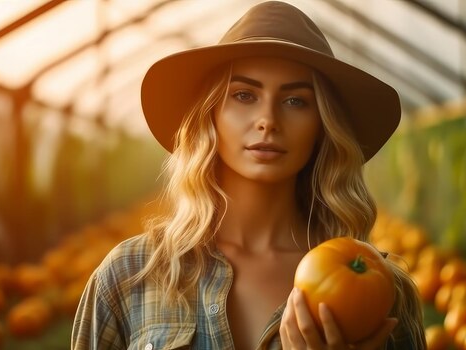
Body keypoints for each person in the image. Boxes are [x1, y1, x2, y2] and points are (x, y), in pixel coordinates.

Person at [71, 1, 425, 349]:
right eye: (243, 95)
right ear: (210, 116)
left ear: (322, 126)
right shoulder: (128, 275)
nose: (268, 119)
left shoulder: (383, 294)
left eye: (295, 101)